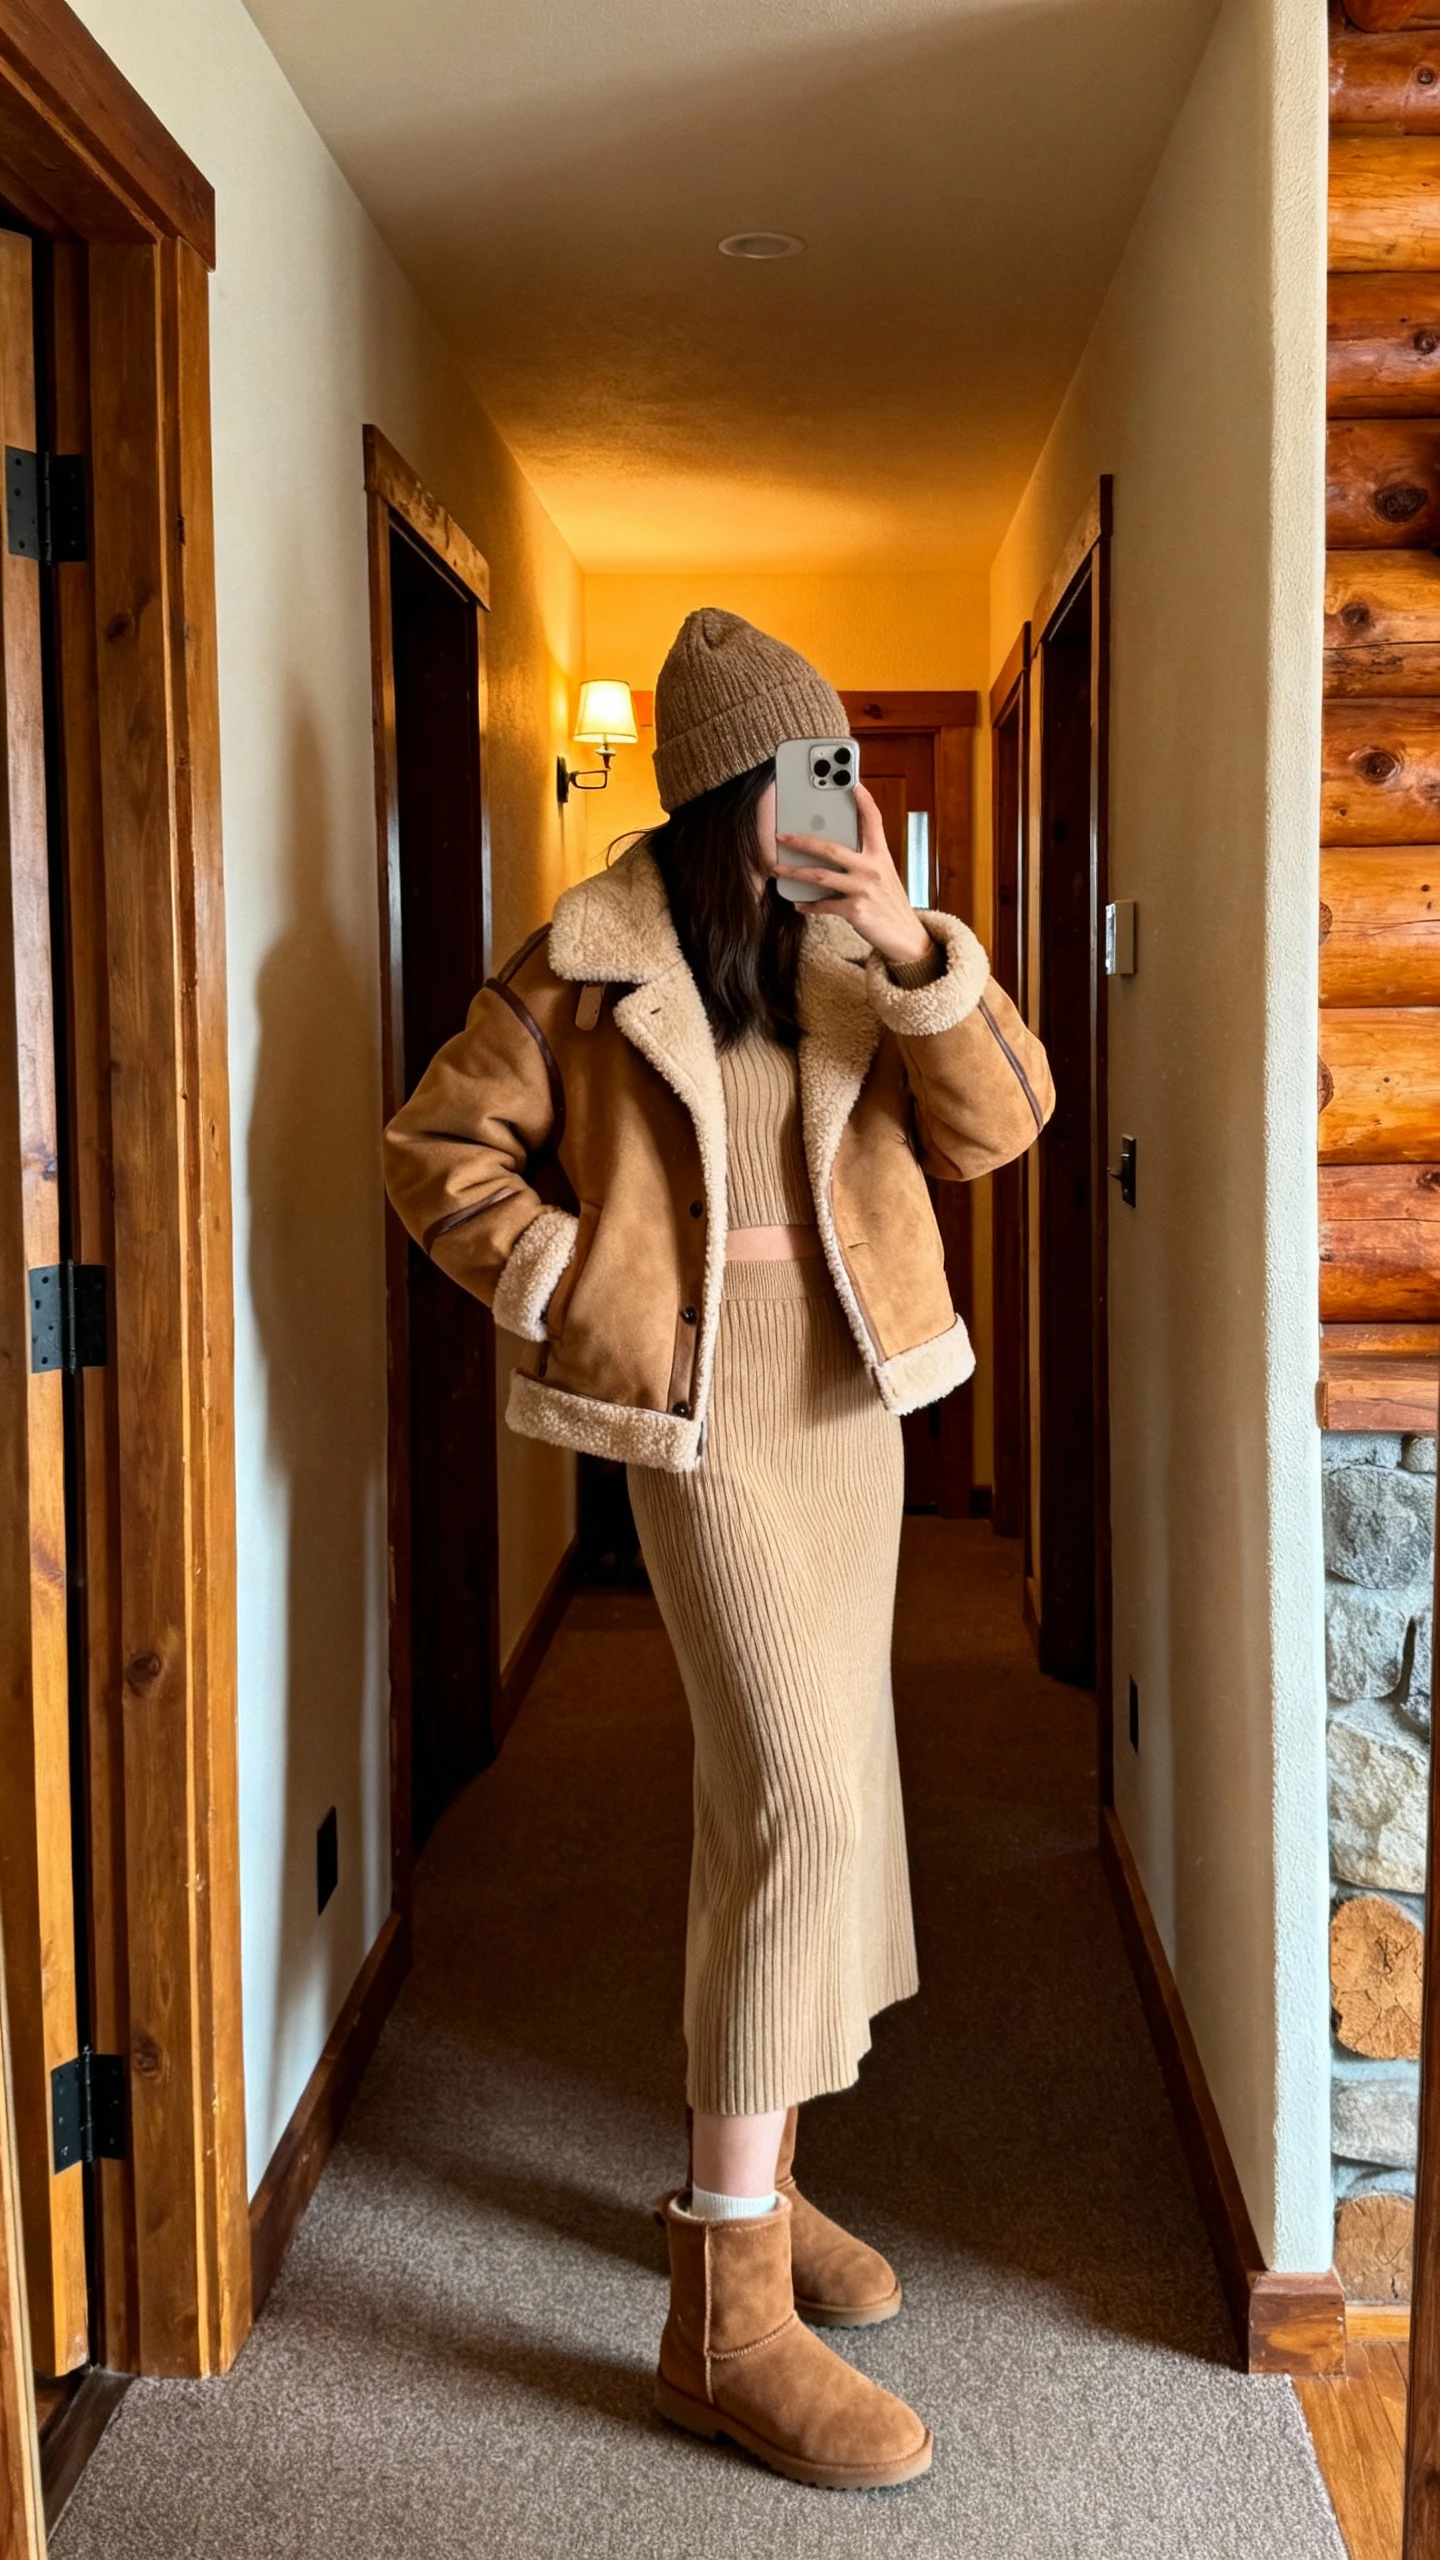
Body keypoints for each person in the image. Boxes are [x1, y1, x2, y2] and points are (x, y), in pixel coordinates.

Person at [383, 609, 1054, 2491]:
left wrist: (921, 950)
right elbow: (438, 1149)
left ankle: (759, 2186)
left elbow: (1004, 1129)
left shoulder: (860, 950)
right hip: (696, 1425)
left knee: (819, 1794)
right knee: (795, 1802)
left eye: (833, 765)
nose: (818, 798)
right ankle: (722, 2321)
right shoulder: (585, 965)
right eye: (790, 772)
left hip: (848, 1412)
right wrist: (569, 1276)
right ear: (713, 792)